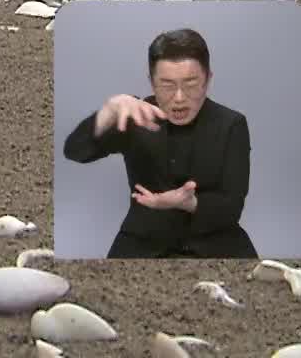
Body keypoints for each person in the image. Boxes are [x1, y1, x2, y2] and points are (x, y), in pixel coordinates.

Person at [61, 27, 257, 258]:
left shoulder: (231, 124)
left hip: (216, 243)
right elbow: (74, 151)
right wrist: (107, 112)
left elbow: (232, 207)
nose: (179, 98)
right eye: (167, 85)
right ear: (152, 83)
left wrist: (191, 203)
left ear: (207, 80)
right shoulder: (135, 115)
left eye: (191, 84)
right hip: (143, 243)